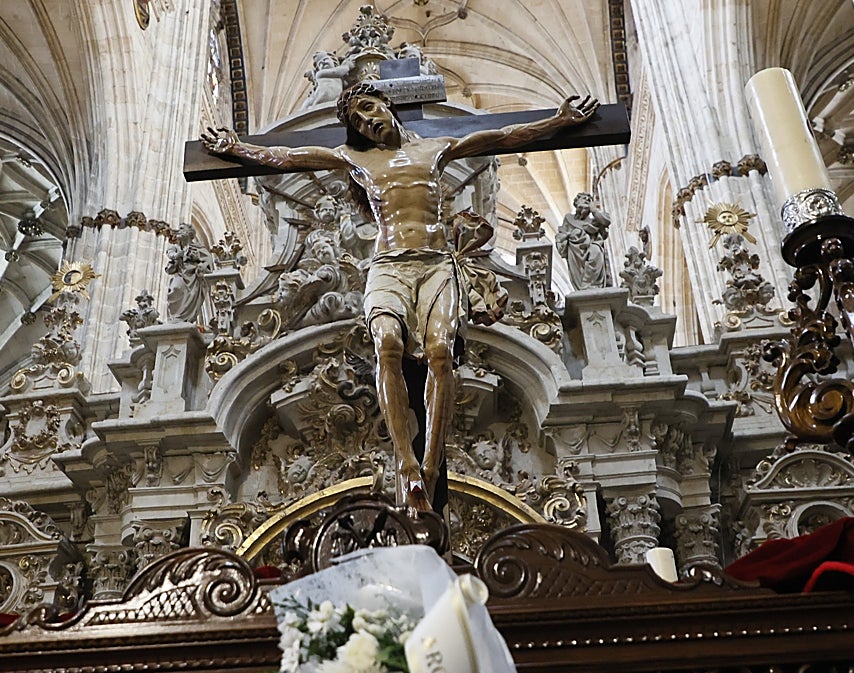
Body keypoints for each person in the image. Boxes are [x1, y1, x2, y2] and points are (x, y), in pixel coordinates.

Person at [202, 84, 597, 511]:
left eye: (368, 108)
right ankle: (406, 463)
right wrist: (238, 147)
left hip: (436, 264)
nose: (366, 120)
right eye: (356, 119)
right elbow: (290, 158)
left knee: (441, 354)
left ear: (387, 105)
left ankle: (429, 467)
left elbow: (502, 136)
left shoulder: (437, 148)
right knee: (387, 345)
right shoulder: (355, 159)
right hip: (389, 265)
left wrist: (558, 122)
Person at [556, 192, 611, 288]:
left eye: (589, 200)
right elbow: (560, 237)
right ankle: (583, 286)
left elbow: (606, 221)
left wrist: (594, 211)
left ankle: (590, 284)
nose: (586, 200)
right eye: (583, 198)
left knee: (596, 251)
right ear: (576, 202)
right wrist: (571, 236)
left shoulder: (593, 220)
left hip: (592, 247)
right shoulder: (569, 219)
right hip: (575, 252)